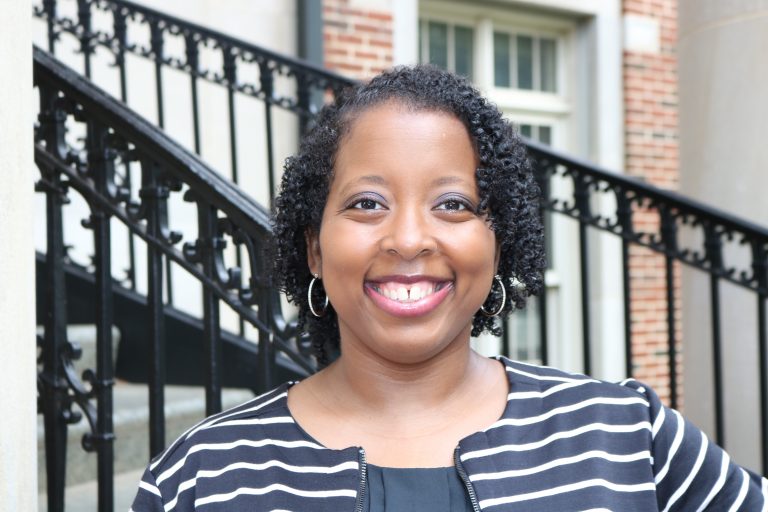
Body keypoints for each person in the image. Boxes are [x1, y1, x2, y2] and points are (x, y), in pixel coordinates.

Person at [131, 65, 767, 511]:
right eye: (368, 202)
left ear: (498, 244)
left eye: (454, 204)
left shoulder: (625, 433)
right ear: (315, 250)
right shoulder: (203, 474)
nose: (409, 239)